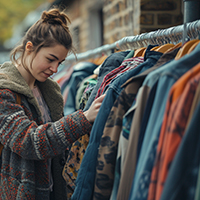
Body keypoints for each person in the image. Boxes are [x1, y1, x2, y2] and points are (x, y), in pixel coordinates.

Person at [0, 8, 105, 200]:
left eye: (60, 62)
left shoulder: (50, 91)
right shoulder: (4, 92)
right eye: (50, 59)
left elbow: (57, 143)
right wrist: (83, 118)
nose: (55, 69)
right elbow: (29, 142)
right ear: (29, 47)